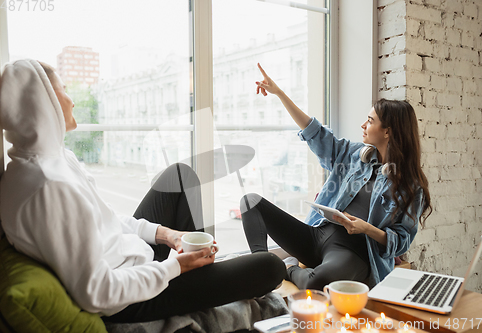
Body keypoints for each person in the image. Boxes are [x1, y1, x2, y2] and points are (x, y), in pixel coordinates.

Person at [0, 59, 285, 323]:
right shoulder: (50, 187)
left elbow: (107, 218)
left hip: (134, 260)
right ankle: (196, 277)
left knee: (180, 175)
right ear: (44, 103)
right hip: (128, 297)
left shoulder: (52, 159)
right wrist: (175, 268)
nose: (72, 100)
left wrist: (165, 234)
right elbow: (98, 294)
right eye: (63, 90)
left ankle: (198, 272)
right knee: (271, 267)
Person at [241, 63, 432, 290]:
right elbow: (315, 133)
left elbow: (401, 242)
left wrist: (366, 228)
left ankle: (287, 268)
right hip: (317, 235)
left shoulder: (411, 187)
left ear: (388, 131)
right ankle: (261, 268)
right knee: (250, 202)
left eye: (370, 121)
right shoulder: (353, 155)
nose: (363, 125)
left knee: (317, 282)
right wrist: (280, 94)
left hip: (354, 252)